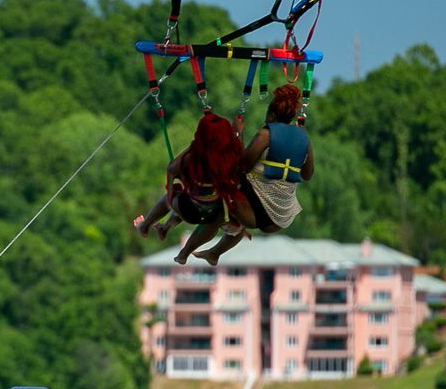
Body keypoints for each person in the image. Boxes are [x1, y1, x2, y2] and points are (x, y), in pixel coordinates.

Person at [180, 82, 315, 266]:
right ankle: (214, 253)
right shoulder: (303, 138)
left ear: (272, 114)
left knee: (219, 202)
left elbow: (241, 166)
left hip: (257, 211)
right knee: (236, 209)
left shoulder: (266, 135)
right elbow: (307, 174)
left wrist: (238, 134)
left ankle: (184, 252)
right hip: (283, 217)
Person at [135, 111, 249, 245]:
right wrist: (238, 133)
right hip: (214, 213)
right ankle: (164, 228)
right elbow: (241, 162)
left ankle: (144, 227)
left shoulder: (196, 155)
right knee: (190, 195)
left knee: (173, 195)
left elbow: (172, 168)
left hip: (191, 211)